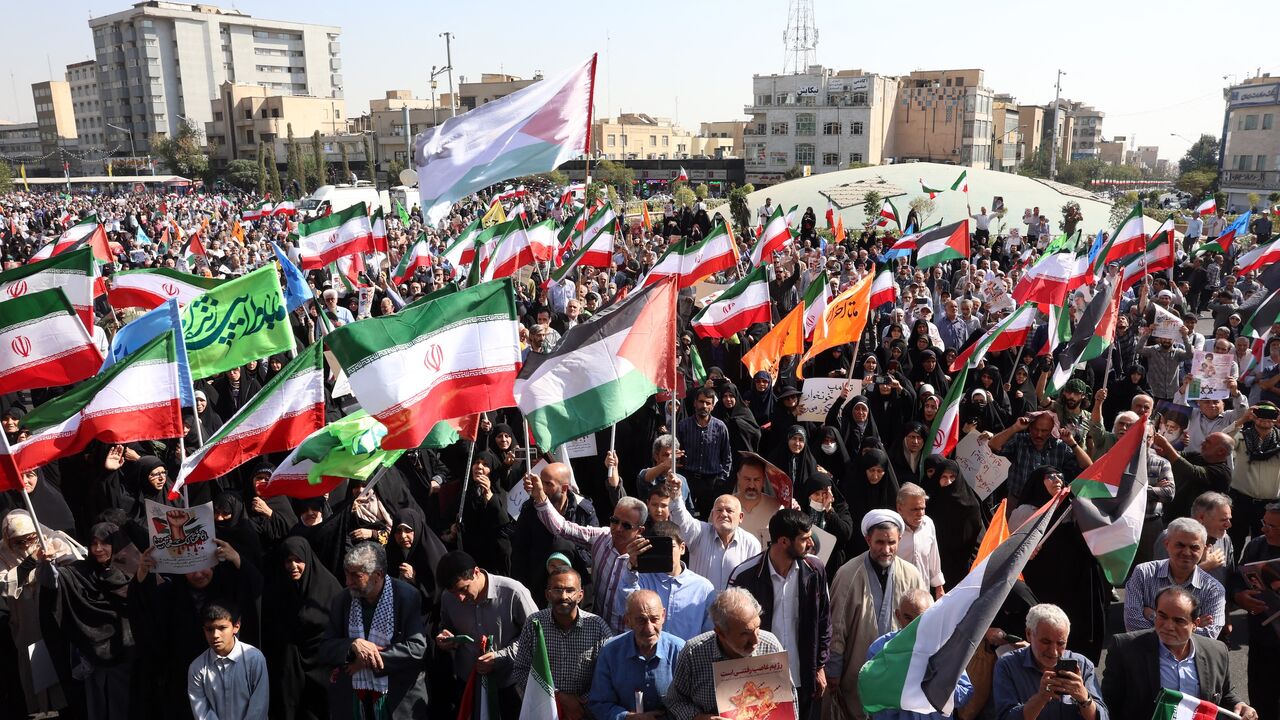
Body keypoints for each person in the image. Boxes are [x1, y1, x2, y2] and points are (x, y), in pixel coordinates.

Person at [729, 509, 832, 719]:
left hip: (803, 675)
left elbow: (824, 621)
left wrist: (819, 666)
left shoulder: (815, 569)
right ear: (784, 541)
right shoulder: (745, 575)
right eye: (804, 539)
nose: (811, 543)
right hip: (759, 680)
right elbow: (731, 630)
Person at [827, 510, 928, 720]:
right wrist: (833, 673)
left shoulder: (912, 575)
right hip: (857, 672)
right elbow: (836, 629)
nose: (887, 549)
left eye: (892, 542)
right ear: (868, 540)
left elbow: (926, 624)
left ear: (900, 539)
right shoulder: (847, 575)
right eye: (880, 542)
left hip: (900, 675)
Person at [1102, 587, 1256, 720]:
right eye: (1162, 616)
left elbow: (1224, 694)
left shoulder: (1216, 651)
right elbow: (1109, 704)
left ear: (1195, 624)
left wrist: (1240, 705)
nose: (1168, 626)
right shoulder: (1126, 648)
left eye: (1179, 621)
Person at [525, 465, 646, 630]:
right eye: (614, 520)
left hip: (627, 636)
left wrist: (634, 566)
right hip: (597, 631)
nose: (617, 528)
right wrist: (540, 496)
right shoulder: (601, 538)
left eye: (626, 525)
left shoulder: (648, 558)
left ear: (640, 530)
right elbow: (562, 527)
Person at [319, 542, 429, 720]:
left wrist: (366, 660)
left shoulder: (406, 596)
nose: (348, 582)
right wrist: (353, 645)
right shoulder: (343, 600)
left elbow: (416, 648)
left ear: (377, 575)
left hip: (397, 698)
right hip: (354, 699)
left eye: (356, 576)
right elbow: (325, 648)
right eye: (346, 575)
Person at [493, 567, 612, 720]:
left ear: (580, 595)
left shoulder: (598, 627)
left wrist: (580, 702)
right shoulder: (534, 624)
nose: (564, 596)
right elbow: (521, 669)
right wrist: (557, 697)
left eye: (570, 590)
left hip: (585, 713)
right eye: (557, 590)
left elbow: (608, 674)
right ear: (548, 595)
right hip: (543, 712)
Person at [663, 588, 789, 720]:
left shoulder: (770, 646)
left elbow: (790, 699)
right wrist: (700, 718)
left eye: (757, 628)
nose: (756, 640)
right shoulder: (693, 653)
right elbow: (675, 701)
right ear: (721, 633)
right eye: (745, 633)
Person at [866, 589, 972, 720]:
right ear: (898, 616)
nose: (914, 626)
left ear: (932, 617)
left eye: (921, 619)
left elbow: (965, 693)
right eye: (908, 618)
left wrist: (933, 684)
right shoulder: (879, 650)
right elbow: (874, 700)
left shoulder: (946, 647)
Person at [992, 603, 1106, 720]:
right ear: (1029, 634)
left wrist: (1084, 699)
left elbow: (1103, 717)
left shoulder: (1083, 665)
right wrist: (1041, 698)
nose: (1054, 652)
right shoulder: (1007, 665)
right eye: (1046, 642)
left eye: (1061, 643)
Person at [587, 589, 686, 720]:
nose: (649, 628)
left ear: (663, 616)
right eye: (641, 620)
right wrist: (627, 717)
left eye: (654, 619)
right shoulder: (611, 651)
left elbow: (691, 702)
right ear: (627, 621)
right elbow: (599, 703)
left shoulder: (679, 650)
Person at [1123, 517, 1226, 638]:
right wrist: (1192, 626)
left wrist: (1152, 616)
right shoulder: (1143, 573)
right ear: (1167, 544)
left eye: (1194, 547)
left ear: (1204, 549)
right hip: (1146, 654)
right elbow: (1133, 625)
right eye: (1180, 545)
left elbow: (1209, 636)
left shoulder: (1214, 590)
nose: (1186, 552)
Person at [616, 521, 715, 641]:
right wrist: (632, 565)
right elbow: (624, 609)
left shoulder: (703, 588)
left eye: (670, 547)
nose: (666, 553)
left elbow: (709, 634)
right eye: (660, 549)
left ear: (682, 548)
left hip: (687, 656)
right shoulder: (640, 579)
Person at [667, 476, 762, 592]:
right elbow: (681, 520)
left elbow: (754, 583)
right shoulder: (699, 532)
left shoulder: (751, 544)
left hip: (734, 608)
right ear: (712, 515)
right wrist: (676, 496)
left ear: (740, 517)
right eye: (719, 510)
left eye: (729, 510)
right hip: (700, 607)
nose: (724, 514)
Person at [1230, 501, 1280, 720]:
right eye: (1264, 523)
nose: (1263, 529)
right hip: (1263, 640)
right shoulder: (1256, 546)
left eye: (1272, 526)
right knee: (1262, 700)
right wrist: (1239, 596)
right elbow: (1236, 580)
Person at [187, 602, 270, 720]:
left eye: (222, 628)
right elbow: (202, 712)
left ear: (236, 626)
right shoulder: (197, 668)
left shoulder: (254, 659)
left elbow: (259, 706)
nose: (215, 635)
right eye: (209, 629)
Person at [676, 388, 734, 515]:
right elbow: (676, 452)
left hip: (711, 482)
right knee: (686, 515)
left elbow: (727, 456)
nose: (704, 406)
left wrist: (722, 479)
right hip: (688, 479)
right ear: (695, 403)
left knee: (709, 519)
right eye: (701, 402)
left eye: (708, 403)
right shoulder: (683, 426)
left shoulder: (720, 427)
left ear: (712, 406)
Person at [895, 483, 944, 598]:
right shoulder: (892, 529)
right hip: (897, 594)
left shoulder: (928, 524)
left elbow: (933, 557)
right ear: (900, 508)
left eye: (923, 508)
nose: (920, 513)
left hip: (923, 593)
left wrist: (939, 588)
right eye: (915, 509)